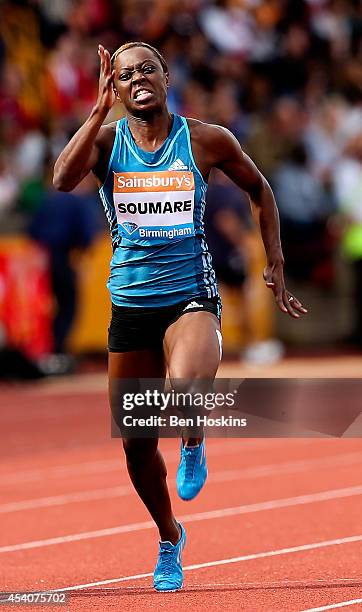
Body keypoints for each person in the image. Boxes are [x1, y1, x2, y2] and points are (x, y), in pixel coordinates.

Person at [53, 41, 307, 592]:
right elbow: (61, 180)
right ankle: (170, 537)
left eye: (148, 69)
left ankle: (193, 439)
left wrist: (276, 262)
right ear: (116, 89)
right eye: (125, 76)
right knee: (137, 446)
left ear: (168, 78)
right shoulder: (103, 142)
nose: (138, 79)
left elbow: (258, 189)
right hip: (130, 304)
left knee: (185, 388)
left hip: (191, 293)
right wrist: (96, 111)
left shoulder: (205, 140)